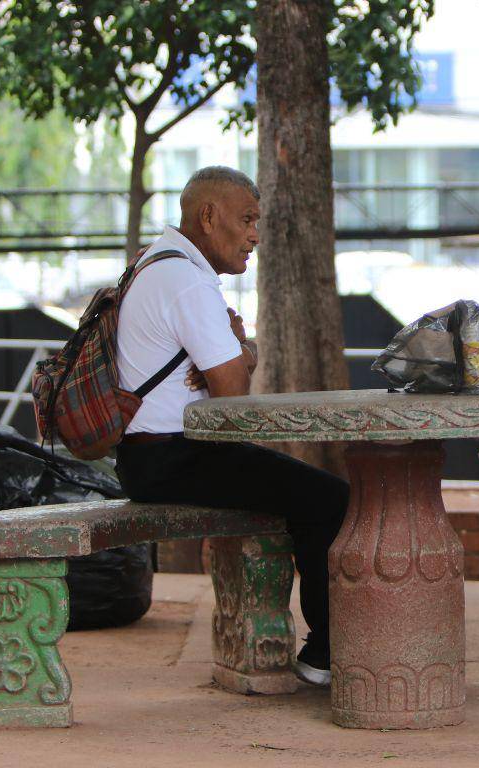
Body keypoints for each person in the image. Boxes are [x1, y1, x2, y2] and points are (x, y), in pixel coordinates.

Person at [114, 166, 349, 688]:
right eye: (246, 220)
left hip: (149, 455)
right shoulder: (187, 280)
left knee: (304, 491)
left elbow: (227, 377)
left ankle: (325, 645)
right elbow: (231, 397)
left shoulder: (153, 262)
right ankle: (327, 652)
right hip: (173, 456)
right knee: (330, 500)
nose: (254, 236)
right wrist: (243, 350)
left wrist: (239, 353)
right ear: (208, 215)